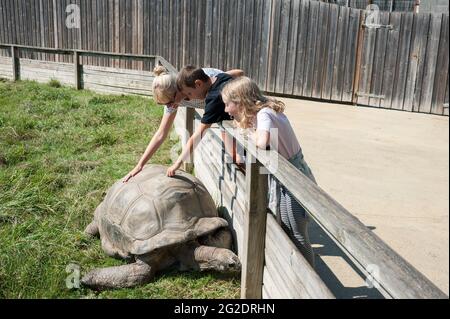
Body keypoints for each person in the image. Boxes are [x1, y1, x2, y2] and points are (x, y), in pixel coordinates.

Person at [221, 76, 316, 267]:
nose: (225, 109)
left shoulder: (264, 114)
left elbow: (262, 142)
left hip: (292, 181)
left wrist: (246, 131)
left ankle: (307, 277)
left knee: (296, 233)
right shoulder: (267, 112)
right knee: (288, 230)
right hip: (287, 176)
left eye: (227, 104)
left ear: (239, 101)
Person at [123, 65, 243, 182]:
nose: (170, 106)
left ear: (178, 89)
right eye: (165, 105)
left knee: (239, 154)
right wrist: (140, 165)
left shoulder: (199, 80)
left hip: (228, 105)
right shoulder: (174, 100)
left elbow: (238, 73)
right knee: (234, 157)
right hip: (219, 116)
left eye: (169, 102)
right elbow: (161, 134)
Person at [166, 65, 242, 177]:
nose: (191, 98)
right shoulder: (221, 76)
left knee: (239, 159)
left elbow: (197, 135)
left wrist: (177, 163)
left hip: (246, 128)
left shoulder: (213, 99)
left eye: (189, 94)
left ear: (198, 84)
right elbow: (239, 72)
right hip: (246, 120)